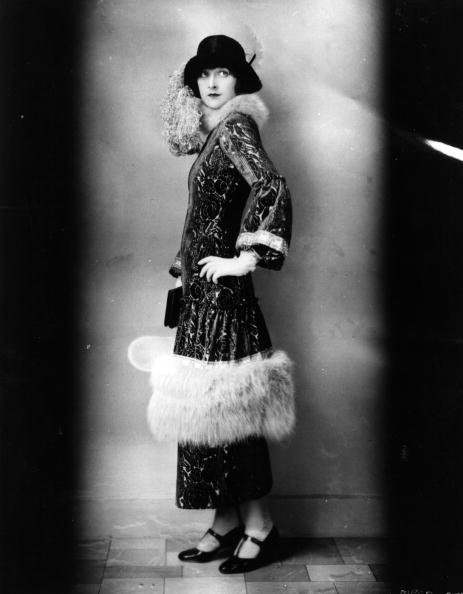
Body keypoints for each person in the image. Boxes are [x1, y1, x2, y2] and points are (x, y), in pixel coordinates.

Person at [151, 34, 294, 573]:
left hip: (225, 298)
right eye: (203, 74)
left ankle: (261, 527)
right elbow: (204, 216)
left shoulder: (236, 127)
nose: (212, 83)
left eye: (223, 73)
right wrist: (186, 270)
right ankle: (227, 520)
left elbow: (271, 185)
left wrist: (245, 259)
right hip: (201, 296)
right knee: (205, 413)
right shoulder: (214, 133)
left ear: (238, 80)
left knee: (231, 413)